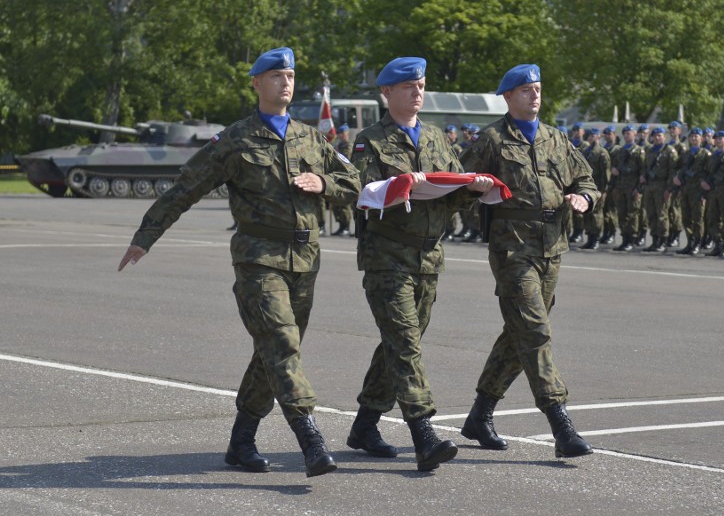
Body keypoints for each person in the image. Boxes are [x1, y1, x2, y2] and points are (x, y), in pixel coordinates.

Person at [117, 47, 361, 478]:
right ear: (256, 84)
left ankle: (241, 439)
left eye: (289, 76)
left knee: (275, 350)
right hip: (257, 259)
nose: (285, 83)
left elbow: (354, 182)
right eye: (275, 76)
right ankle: (311, 439)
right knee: (283, 342)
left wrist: (323, 181)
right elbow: (186, 187)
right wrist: (146, 236)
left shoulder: (311, 137)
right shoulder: (235, 139)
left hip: (305, 259)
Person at [347, 57, 494, 471]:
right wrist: (401, 186)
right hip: (387, 255)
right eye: (408, 86)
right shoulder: (370, 140)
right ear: (386, 93)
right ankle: (423, 434)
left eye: (421, 85)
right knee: (406, 342)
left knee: (399, 343)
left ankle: (364, 425)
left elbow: (451, 191)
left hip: (428, 257)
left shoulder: (435, 138)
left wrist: (473, 187)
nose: (417, 92)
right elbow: (363, 193)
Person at [459, 63, 599, 459]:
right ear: (508, 96)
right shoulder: (491, 139)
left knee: (519, 332)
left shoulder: (556, 139)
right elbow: (456, 184)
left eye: (538, 88)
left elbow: (585, 180)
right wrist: (474, 187)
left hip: (552, 249)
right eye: (525, 90)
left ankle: (479, 415)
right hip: (511, 250)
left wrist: (583, 198)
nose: (534, 95)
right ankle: (561, 424)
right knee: (535, 331)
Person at [639, 127, 678, 252]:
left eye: (659, 135)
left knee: (662, 215)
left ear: (664, 137)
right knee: (651, 214)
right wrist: (643, 177)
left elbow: (673, 171)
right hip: (650, 186)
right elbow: (645, 167)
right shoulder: (649, 150)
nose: (657, 138)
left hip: (662, 185)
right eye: (655, 136)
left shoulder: (669, 151)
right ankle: (655, 239)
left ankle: (663, 240)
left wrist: (669, 188)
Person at [672, 127, 710, 255]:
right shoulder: (686, 154)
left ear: (702, 138)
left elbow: (710, 173)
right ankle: (690, 242)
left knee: (697, 218)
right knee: (686, 218)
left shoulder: (706, 154)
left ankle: (698, 244)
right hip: (686, 189)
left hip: (698, 191)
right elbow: (675, 167)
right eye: (692, 136)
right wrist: (676, 177)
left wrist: (705, 190)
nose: (694, 138)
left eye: (696, 136)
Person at [701, 131, 724, 257]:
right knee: (712, 219)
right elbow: (705, 172)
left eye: (721, 139)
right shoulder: (712, 156)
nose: (718, 141)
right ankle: (717, 243)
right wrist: (703, 183)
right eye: (716, 139)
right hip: (712, 193)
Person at [610, 124, 645, 251]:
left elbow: (642, 172)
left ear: (634, 134)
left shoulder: (639, 151)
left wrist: (639, 189)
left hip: (632, 187)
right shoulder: (620, 150)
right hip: (620, 186)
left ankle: (632, 239)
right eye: (625, 133)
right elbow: (614, 166)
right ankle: (624, 239)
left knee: (633, 214)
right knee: (621, 213)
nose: (626, 135)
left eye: (629, 133)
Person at [580, 127, 610, 250]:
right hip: (587, 187)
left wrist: (604, 190)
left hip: (597, 188)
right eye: (590, 135)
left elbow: (606, 173)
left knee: (597, 214)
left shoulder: (602, 152)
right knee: (587, 213)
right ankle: (590, 238)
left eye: (594, 135)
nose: (592, 138)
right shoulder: (586, 151)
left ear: (599, 137)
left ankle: (596, 238)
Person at [331, 124, 355, 236]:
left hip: (346, 177)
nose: (341, 136)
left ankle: (346, 226)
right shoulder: (337, 146)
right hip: (336, 177)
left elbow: (346, 160)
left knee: (345, 204)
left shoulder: (349, 146)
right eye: (339, 134)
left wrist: (336, 154)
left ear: (347, 134)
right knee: (336, 203)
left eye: (343, 134)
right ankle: (341, 225)